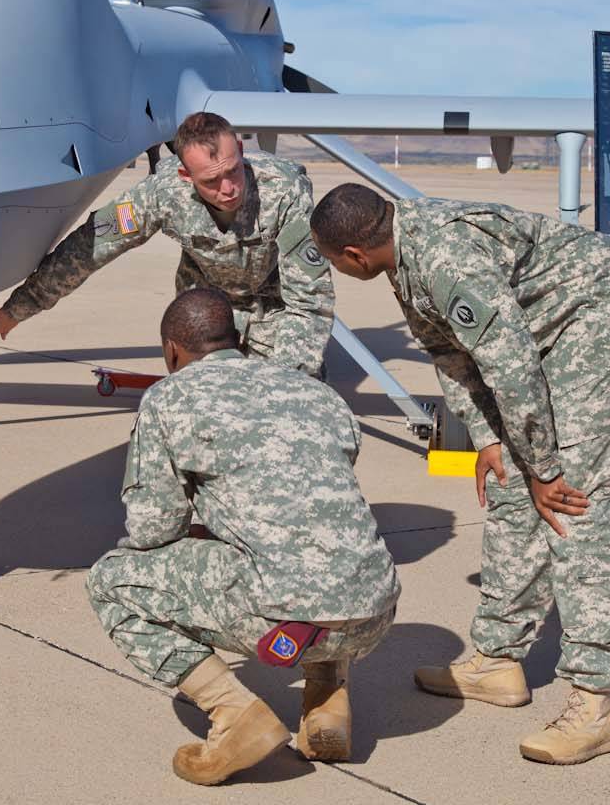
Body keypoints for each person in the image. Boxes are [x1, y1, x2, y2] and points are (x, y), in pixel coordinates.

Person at [309, 183, 610, 766]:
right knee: (511, 480)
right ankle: (499, 660)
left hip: (603, 314)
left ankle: (594, 701)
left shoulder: (443, 259)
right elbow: (451, 354)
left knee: (573, 501)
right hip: (544, 330)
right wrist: (491, 440)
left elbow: (510, 362)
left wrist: (546, 468)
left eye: (332, 263)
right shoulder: (400, 250)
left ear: (354, 254)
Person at [85, 289, 399, 785]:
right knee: (312, 545)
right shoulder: (316, 393)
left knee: (111, 581)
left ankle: (234, 715)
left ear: (172, 350)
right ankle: (326, 701)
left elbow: (151, 529)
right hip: (375, 611)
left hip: (281, 614)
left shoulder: (170, 398)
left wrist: (203, 528)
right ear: (239, 340)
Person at [0, 112, 334, 377]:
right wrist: (22, 306)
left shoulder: (284, 191)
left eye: (233, 170)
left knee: (288, 408)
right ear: (184, 174)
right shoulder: (163, 194)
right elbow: (91, 246)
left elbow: (309, 302)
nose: (228, 189)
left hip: (275, 312)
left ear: (239, 148)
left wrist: (289, 383)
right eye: (210, 181)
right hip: (205, 314)